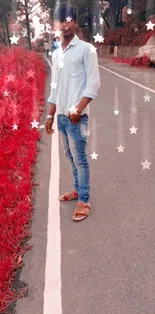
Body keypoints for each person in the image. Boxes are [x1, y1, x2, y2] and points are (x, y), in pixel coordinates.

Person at [45, 3, 100, 221]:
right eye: (61, 20)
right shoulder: (57, 53)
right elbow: (55, 87)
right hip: (60, 117)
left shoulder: (87, 49)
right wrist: (50, 115)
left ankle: (84, 200)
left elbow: (93, 84)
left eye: (69, 20)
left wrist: (78, 108)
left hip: (77, 117)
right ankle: (77, 190)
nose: (65, 24)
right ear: (55, 25)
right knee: (70, 156)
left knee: (80, 159)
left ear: (75, 22)